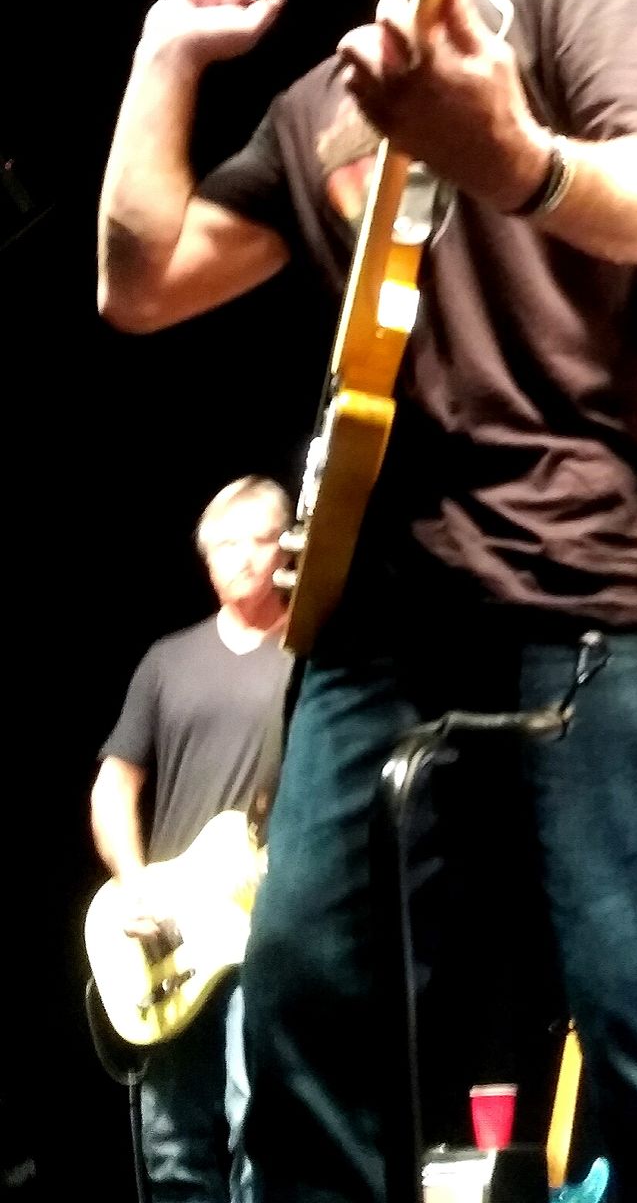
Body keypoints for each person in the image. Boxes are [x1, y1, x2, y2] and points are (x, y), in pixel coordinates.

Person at [95, 0, 637, 1203]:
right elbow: (141, 285)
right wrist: (162, 61)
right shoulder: (315, 104)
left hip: (590, 566)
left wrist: (520, 158)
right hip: (380, 614)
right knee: (301, 1018)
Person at [90, 476, 294, 1202]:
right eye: (226, 544)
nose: (244, 557)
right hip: (170, 935)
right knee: (172, 1146)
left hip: (264, 928)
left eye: (260, 540)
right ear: (206, 560)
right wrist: (133, 882)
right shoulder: (167, 661)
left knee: (258, 1130)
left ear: (287, 548)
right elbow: (114, 787)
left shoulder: (309, 658)